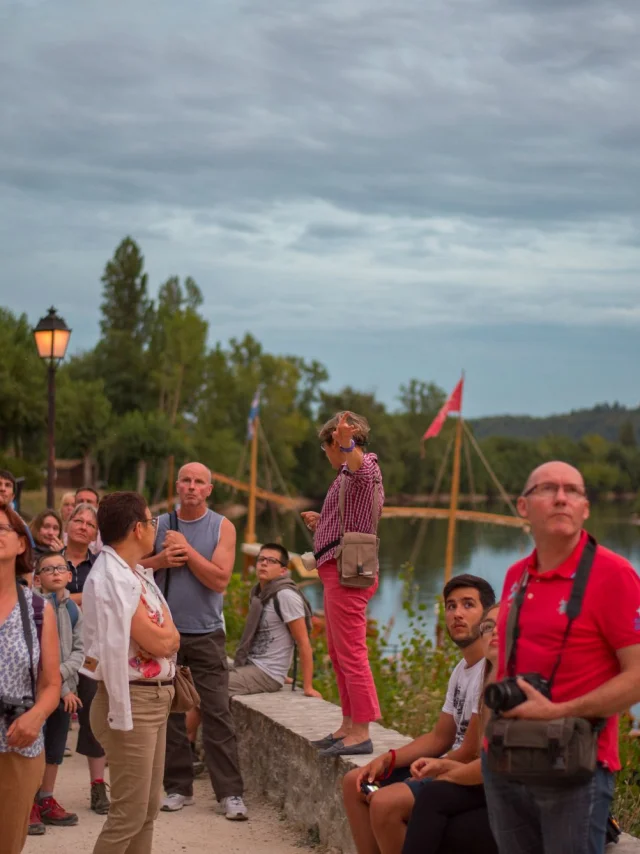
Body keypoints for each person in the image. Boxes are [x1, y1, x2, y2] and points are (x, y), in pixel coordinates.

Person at [483, 461, 640, 854]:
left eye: (573, 490)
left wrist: (558, 710)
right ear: (523, 506)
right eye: (548, 488)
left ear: (585, 508)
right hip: (505, 757)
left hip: (574, 767)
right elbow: (501, 662)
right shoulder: (517, 575)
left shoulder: (615, 574)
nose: (561, 498)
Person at [342, 574, 495, 854]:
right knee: (355, 782)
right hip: (446, 763)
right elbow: (440, 737)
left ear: (487, 617)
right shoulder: (461, 670)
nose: (457, 614)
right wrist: (389, 758)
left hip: (467, 775)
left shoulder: (489, 671)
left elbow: (470, 750)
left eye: (468, 605)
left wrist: (430, 769)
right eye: (451, 606)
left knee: (385, 803)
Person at [141, 461, 247, 820]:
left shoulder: (223, 526)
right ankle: (177, 788)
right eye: (185, 480)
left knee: (217, 712)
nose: (191, 486)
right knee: (169, 713)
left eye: (198, 481)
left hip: (206, 633)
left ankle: (230, 794)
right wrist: (161, 558)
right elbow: (133, 568)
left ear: (208, 489)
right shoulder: (157, 525)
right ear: (177, 485)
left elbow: (219, 580)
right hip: (162, 632)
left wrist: (186, 550)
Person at [81, 491, 180, 854]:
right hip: (133, 703)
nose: (155, 527)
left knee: (148, 809)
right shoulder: (111, 577)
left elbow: (169, 635)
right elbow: (160, 641)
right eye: (152, 521)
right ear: (138, 528)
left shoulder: (134, 572)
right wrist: (168, 639)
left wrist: (168, 639)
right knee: (128, 813)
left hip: (153, 699)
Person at [301, 411, 384, 757]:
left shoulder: (363, 469)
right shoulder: (345, 478)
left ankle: (361, 730)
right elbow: (355, 516)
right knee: (338, 652)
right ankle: (348, 723)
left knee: (351, 653)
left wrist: (346, 441)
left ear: (335, 444)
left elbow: (359, 466)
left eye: (328, 448)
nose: (328, 455)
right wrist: (323, 523)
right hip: (337, 569)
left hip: (347, 574)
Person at [402, 605, 500, 854]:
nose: (494, 632)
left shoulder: (521, 685)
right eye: (488, 627)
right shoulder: (491, 682)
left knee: (434, 802)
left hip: (527, 800)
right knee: (435, 804)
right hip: (497, 789)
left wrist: (445, 771)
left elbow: (498, 766)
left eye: (504, 625)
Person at [0, 503, 61, 854]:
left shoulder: (38, 610)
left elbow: (51, 684)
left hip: (17, 745)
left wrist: (35, 717)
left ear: (22, 544)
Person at [29, 551, 84, 835]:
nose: (55, 572)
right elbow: (38, 655)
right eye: (48, 569)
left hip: (66, 693)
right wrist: (61, 687)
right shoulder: (33, 609)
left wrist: (64, 685)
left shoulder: (75, 611)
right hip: (39, 693)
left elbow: (79, 652)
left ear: (69, 575)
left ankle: (46, 798)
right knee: (34, 747)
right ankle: (29, 803)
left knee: (54, 749)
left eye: (60, 568)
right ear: (37, 578)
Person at [231, 543, 322, 698]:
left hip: (267, 674)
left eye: (272, 561)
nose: (264, 563)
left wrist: (308, 687)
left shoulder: (285, 595)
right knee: (201, 674)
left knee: (212, 684)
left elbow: (303, 642)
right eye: (261, 559)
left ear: (283, 571)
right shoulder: (258, 593)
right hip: (251, 664)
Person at [64, 501, 109, 814]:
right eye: (77, 520)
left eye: (89, 524)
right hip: (56, 649)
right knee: (54, 718)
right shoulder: (50, 560)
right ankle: (41, 790)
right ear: (68, 525)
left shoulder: (101, 564)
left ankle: (97, 787)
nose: (82, 526)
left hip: (92, 650)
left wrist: (67, 596)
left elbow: (104, 599)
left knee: (95, 717)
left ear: (95, 534)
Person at [73, 486, 103, 553]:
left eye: (89, 501)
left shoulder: (104, 533)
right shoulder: (64, 530)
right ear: (74, 504)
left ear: (97, 506)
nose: (84, 504)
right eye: (80, 501)